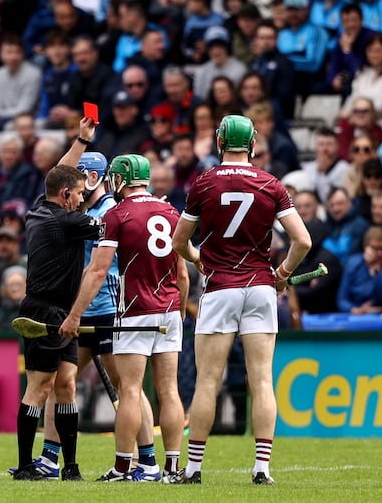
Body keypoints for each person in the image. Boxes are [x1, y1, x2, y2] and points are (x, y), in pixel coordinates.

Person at [172, 115, 311, 484]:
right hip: (261, 287)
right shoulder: (271, 184)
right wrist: (281, 275)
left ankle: (195, 469)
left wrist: (199, 258)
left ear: (219, 143)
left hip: (220, 289)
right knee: (262, 381)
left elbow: (178, 241)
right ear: (252, 145)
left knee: (207, 382)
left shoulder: (202, 184)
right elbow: (303, 241)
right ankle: (262, 468)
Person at [60, 154, 188, 483]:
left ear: (120, 179)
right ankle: (172, 468)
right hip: (170, 310)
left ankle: (122, 467)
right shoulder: (171, 212)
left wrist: (74, 314)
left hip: (134, 311)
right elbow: (183, 274)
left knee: (130, 390)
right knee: (169, 391)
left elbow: (99, 270)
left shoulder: (117, 214)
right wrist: (180, 312)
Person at [11, 119, 108, 482]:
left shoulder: (41, 206)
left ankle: (70, 466)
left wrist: (82, 140)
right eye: (80, 193)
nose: (84, 198)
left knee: (66, 383)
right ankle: (24, 467)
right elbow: (112, 225)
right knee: (39, 387)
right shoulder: (68, 222)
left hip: (61, 312)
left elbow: (59, 172)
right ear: (67, 195)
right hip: (44, 311)